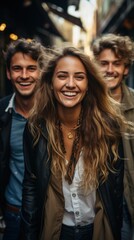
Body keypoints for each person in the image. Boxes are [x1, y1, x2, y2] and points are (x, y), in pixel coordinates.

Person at [21, 45, 126, 240]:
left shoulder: (108, 129)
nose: (71, 84)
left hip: (98, 231)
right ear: (51, 82)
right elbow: (31, 188)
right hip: (55, 231)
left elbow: (116, 192)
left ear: (88, 84)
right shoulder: (36, 128)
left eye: (79, 77)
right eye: (62, 76)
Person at [0, 38, 46, 240]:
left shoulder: (55, 113)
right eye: (17, 69)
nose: (25, 75)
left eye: (31, 68)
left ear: (41, 73)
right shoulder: (2, 112)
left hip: (49, 215)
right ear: (9, 73)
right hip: (13, 215)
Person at [91, 33, 134, 240]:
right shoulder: (86, 104)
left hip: (129, 200)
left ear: (125, 68)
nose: (110, 70)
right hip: (97, 202)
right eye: (104, 63)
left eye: (116, 64)